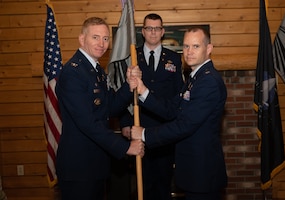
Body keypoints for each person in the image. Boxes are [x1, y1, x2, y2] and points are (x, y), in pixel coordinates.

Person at [131, 26, 228, 200]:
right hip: (193, 170)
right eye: (186, 46)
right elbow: (171, 109)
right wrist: (143, 90)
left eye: (196, 46)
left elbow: (185, 125)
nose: (189, 52)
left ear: (209, 49)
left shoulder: (208, 82)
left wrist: (145, 134)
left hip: (202, 171)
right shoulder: (195, 78)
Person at [55, 17, 144, 200]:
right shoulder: (73, 73)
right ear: (82, 39)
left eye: (105, 39)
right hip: (79, 167)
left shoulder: (96, 71)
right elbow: (87, 123)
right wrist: (125, 147)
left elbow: (109, 108)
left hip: (95, 164)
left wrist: (129, 85)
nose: (101, 43)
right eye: (95, 37)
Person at [119, 13, 184, 200]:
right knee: (143, 183)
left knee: (163, 182)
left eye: (157, 28)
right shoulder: (132, 57)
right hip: (140, 126)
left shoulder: (174, 58)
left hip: (165, 128)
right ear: (143, 31)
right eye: (149, 28)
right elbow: (123, 92)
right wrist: (125, 122)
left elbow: (177, 94)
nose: (153, 32)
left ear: (162, 31)